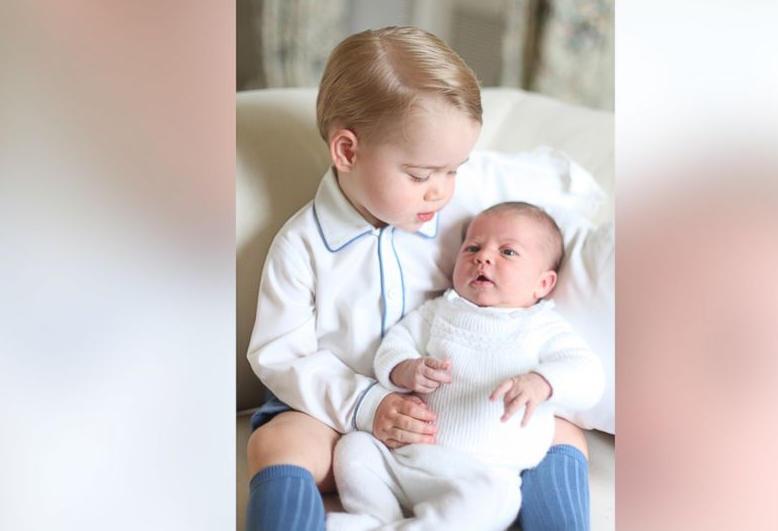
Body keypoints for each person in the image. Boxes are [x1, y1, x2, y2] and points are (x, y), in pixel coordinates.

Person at [245, 26, 593, 531]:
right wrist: (367, 403)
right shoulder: (302, 247)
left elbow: (549, 191)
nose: (441, 192)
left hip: (457, 411)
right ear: (347, 152)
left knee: (563, 433)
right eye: (420, 175)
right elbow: (281, 355)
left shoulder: (464, 208)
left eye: (453, 171)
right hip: (335, 411)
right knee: (275, 442)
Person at [329, 202, 603, 530]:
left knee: (497, 500)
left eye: (508, 252)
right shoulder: (438, 312)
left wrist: (541, 382)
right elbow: (393, 346)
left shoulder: (542, 327)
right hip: (407, 460)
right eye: (472, 247)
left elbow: (588, 375)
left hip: (483, 474)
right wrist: (405, 368)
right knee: (354, 448)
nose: (483, 257)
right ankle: (376, 517)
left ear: (542, 284)